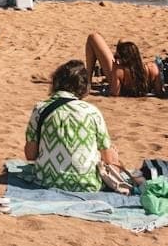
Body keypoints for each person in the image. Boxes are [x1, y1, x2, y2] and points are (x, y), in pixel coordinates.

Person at [24, 59, 120, 192]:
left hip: (46, 180)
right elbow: (108, 159)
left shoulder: (40, 109)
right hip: (88, 183)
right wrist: (114, 154)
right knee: (111, 153)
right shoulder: (92, 112)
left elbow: (30, 155)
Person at [83, 34, 165, 98]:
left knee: (93, 37)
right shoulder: (152, 68)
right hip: (139, 79)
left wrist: (115, 68)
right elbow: (159, 92)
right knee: (122, 41)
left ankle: (88, 81)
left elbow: (115, 93)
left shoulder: (119, 71)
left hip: (122, 80)